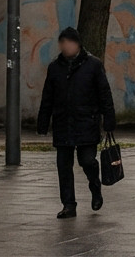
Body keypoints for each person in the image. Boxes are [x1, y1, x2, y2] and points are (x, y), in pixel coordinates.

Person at [38, 27, 116, 218]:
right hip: (63, 123)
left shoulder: (93, 65)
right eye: (62, 43)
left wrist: (109, 119)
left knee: (87, 160)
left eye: (69, 42)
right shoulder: (55, 67)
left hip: (86, 122)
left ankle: (95, 187)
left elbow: (104, 94)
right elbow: (47, 96)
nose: (66, 47)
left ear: (78, 44)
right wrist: (43, 121)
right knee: (63, 165)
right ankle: (68, 204)